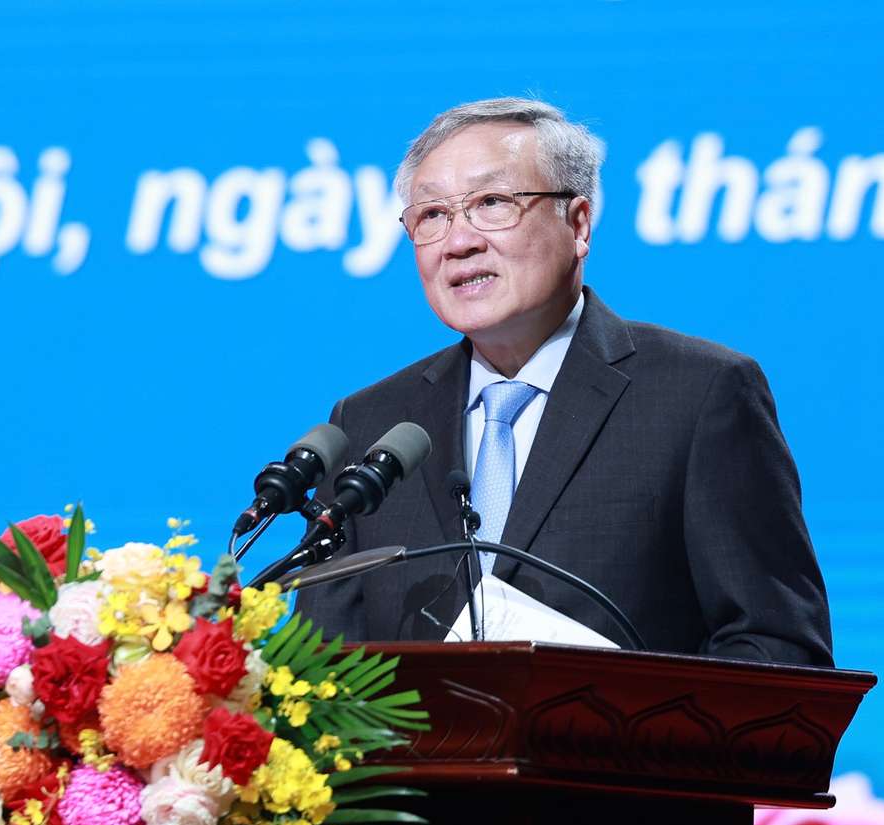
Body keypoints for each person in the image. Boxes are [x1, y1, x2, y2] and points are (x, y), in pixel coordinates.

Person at [294, 97, 833, 666]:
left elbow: (778, 648)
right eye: (431, 216)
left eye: (492, 203)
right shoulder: (370, 423)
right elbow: (321, 674)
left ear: (578, 224)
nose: (458, 242)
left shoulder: (699, 395)